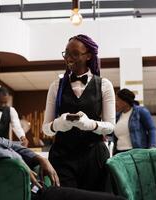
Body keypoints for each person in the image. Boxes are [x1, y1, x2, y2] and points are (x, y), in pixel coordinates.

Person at [0, 65, 125, 200]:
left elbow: (6, 143)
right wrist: (16, 159)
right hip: (20, 192)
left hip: (24, 189)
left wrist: (36, 158)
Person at [42, 34, 115, 192]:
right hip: (63, 156)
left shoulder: (104, 85)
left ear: (88, 56)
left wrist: (91, 124)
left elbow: (110, 127)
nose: (68, 57)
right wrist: (58, 124)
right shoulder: (56, 86)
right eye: (66, 53)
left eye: (74, 53)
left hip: (94, 156)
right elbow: (46, 128)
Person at [114, 88, 156, 154]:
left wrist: (152, 147)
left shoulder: (140, 111)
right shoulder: (117, 116)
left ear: (125, 101)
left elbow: (152, 129)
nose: (115, 103)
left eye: (117, 100)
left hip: (136, 152)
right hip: (119, 153)